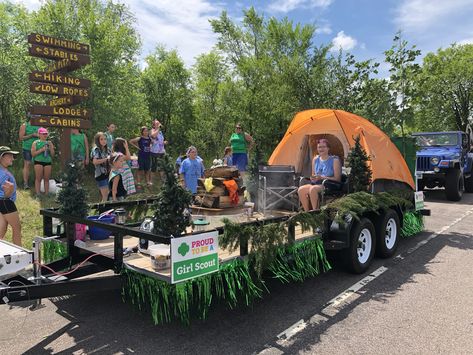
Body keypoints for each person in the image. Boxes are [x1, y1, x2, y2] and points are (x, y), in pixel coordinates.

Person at [297, 139, 342, 211]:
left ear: (328, 148)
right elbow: (313, 174)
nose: (321, 149)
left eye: (323, 147)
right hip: (317, 183)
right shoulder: (315, 159)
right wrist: (313, 178)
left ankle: (316, 212)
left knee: (313, 189)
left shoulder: (334, 160)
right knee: (301, 189)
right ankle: (307, 212)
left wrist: (322, 177)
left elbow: (337, 179)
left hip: (330, 184)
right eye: (319, 147)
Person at [0, 146, 21, 246]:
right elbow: (6, 194)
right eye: (10, 156)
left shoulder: (3, 171)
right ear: (1, 157)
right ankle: (20, 254)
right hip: (6, 202)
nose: (12, 158)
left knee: (2, 229)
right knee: (17, 228)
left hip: (2, 203)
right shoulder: (4, 174)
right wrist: (11, 190)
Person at [31, 127, 55, 196]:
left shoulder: (49, 142)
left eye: (46, 133)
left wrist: (51, 148)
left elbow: (53, 155)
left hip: (48, 162)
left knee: (47, 179)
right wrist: (41, 150)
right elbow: (33, 154)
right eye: (43, 133)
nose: (45, 135)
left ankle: (47, 193)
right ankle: (38, 193)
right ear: (39, 134)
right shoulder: (35, 142)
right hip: (38, 161)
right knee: (38, 178)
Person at [18, 116, 39, 189]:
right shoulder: (25, 125)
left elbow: (44, 136)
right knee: (27, 164)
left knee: (39, 165)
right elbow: (21, 138)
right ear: (30, 117)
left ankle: (38, 183)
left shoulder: (40, 126)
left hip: (38, 148)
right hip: (27, 148)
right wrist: (32, 135)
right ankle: (25, 184)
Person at [91, 132, 110, 202]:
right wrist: (106, 159)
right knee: (105, 195)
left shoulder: (107, 149)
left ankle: (106, 210)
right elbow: (95, 162)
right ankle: (103, 211)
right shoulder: (96, 150)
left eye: (105, 139)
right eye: (101, 139)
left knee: (107, 194)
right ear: (97, 141)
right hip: (100, 174)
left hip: (108, 173)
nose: (104, 141)